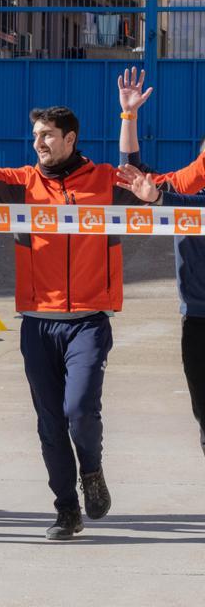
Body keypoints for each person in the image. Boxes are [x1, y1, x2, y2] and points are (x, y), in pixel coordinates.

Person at [0, 73, 205, 540]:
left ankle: (91, 470)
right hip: (37, 323)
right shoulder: (21, 184)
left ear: (70, 137)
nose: (38, 143)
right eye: (35, 136)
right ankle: (66, 509)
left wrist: (149, 172)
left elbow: (178, 185)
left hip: (88, 321)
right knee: (49, 423)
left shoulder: (108, 182)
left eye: (47, 135)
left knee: (79, 410)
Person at [111, 67, 205, 461]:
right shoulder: (185, 189)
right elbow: (136, 178)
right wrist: (128, 116)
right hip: (198, 320)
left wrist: (158, 200)